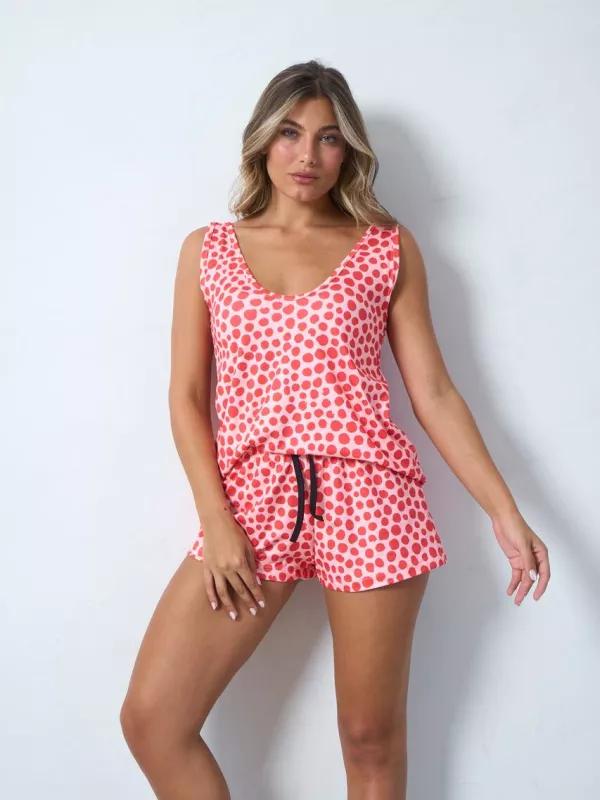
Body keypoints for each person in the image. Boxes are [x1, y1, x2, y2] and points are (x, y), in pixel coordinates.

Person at [119, 59, 551, 800]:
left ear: (349, 150)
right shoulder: (208, 250)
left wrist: (504, 512)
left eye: (328, 138)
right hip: (252, 502)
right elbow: (186, 397)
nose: (307, 156)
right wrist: (216, 521)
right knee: (153, 720)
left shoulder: (386, 247)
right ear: (262, 139)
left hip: (370, 499)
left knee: (369, 738)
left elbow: (435, 392)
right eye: (290, 133)